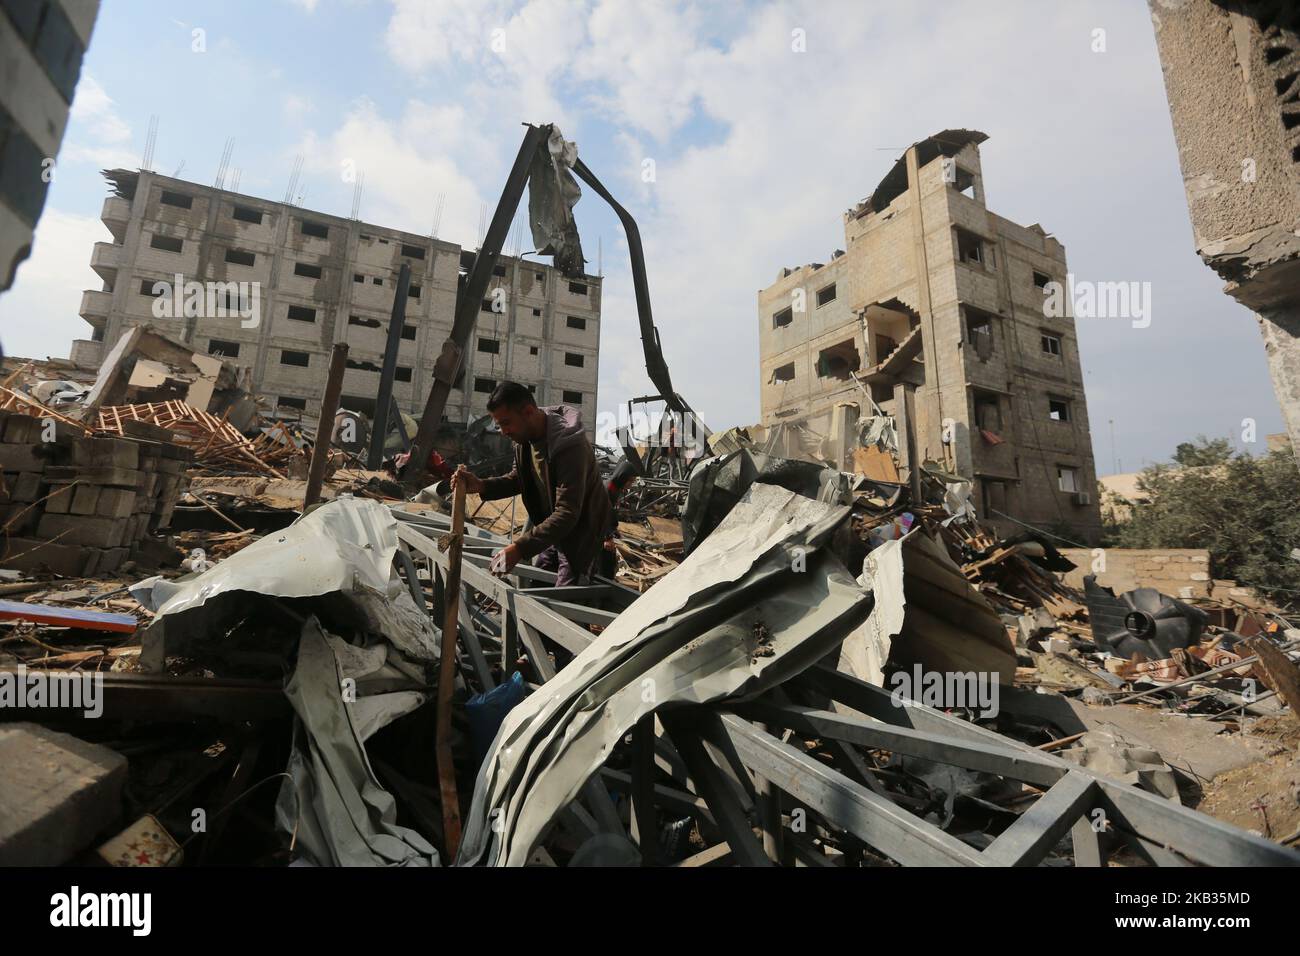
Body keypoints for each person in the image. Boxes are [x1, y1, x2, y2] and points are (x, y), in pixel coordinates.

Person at [452, 381, 610, 586]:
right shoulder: (524, 439)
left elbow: (568, 512)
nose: (502, 431)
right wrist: (481, 485)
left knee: (565, 605)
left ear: (527, 411)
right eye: (499, 425)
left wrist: (519, 548)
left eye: (506, 423)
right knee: (538, 591)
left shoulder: (570, 446)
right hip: (554, 531)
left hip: (583, 534)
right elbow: (519, 479)